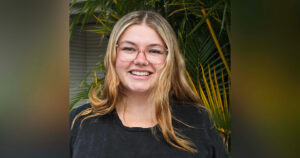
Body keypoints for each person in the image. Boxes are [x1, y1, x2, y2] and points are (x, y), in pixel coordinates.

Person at [70, 10, 230, 158]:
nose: (140, 60)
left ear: (169, 60)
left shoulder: (197, 121)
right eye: (129, 48)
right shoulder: (79, 123)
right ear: (113, 55)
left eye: (154, 51)